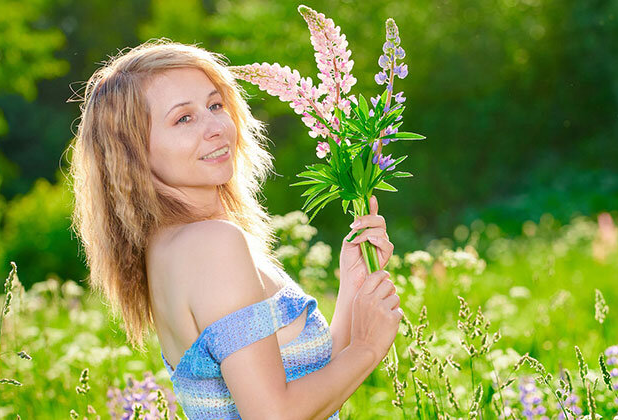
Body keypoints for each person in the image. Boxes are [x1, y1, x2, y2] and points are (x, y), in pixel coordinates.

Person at [67, 39, 403, 419]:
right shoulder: (210, 245)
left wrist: (353, 285)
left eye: (215, 106)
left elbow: (309, 391)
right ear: (133, 152)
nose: (216, 127)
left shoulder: (173, 245)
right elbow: (274, 415)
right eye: (183, 118)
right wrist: (367, 349)